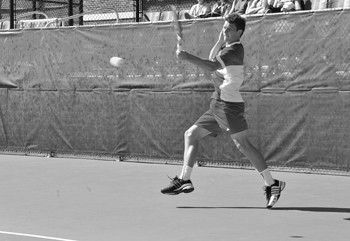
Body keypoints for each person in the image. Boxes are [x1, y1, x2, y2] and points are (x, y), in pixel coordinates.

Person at [160, 13, 286, 209]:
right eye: (223, 27)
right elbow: (212, 58)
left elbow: (211, 65)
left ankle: (272, 184)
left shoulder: (234, 50)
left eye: (228, 29)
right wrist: (220, 39)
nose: (224, 31)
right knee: (191, 134)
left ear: (239, 32)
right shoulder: (226, 47)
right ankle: (184, 179)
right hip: (217, 104)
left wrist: (186, 57)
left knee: (243, 144)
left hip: (229, 107)